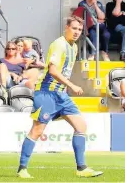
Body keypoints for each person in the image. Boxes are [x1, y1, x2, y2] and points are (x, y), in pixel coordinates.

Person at [17, 16, 103, 179]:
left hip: (61, 95)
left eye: (79, 29)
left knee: (81, 126)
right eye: (74, 28)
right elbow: (53, 71)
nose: (77, 32)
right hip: (47, 93)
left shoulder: (74, 47)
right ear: (66, 28)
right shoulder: (59, 44)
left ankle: (81, 168)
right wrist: (72, 85)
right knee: (37, 130)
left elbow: (57, 67)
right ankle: (22, 168)